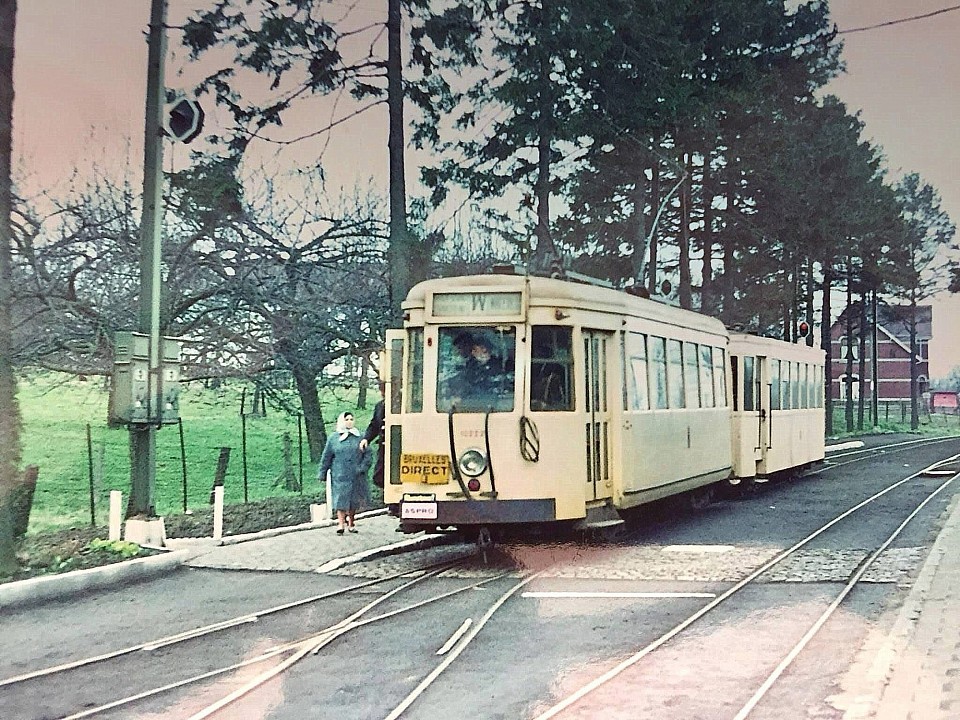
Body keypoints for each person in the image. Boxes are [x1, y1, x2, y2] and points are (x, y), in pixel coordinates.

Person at [318, 411, 370, 534]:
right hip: (340, 474)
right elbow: (327, 456)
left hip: (356, 475)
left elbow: (368, 455)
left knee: (353, 500)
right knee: (340, 499)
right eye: (347, 419)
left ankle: (351, 522)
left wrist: (362, 468)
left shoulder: (360, 437)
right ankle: (340, 524)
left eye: (352, 419)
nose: (350, 421)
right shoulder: (334, 438)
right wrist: (322, 472)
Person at [359, 382, 385, 489]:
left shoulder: (401, 404)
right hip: (383, 447)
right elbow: (374, 425)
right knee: (379, 476)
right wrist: (366, 439)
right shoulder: (379, 406)